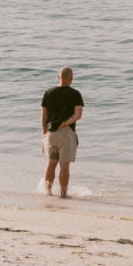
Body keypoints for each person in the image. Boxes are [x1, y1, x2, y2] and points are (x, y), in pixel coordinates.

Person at [41, 67, 84, 198]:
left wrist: (44, 134)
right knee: (64, 166)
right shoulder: (75, 94)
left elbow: (43, 116)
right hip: (67, 133)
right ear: (71, 79)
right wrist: (64, 124)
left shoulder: (48, 93)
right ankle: (63, 194)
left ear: (58, 77)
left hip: (50, 134)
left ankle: (47, 192)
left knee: (51, 163)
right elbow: (78, 115)